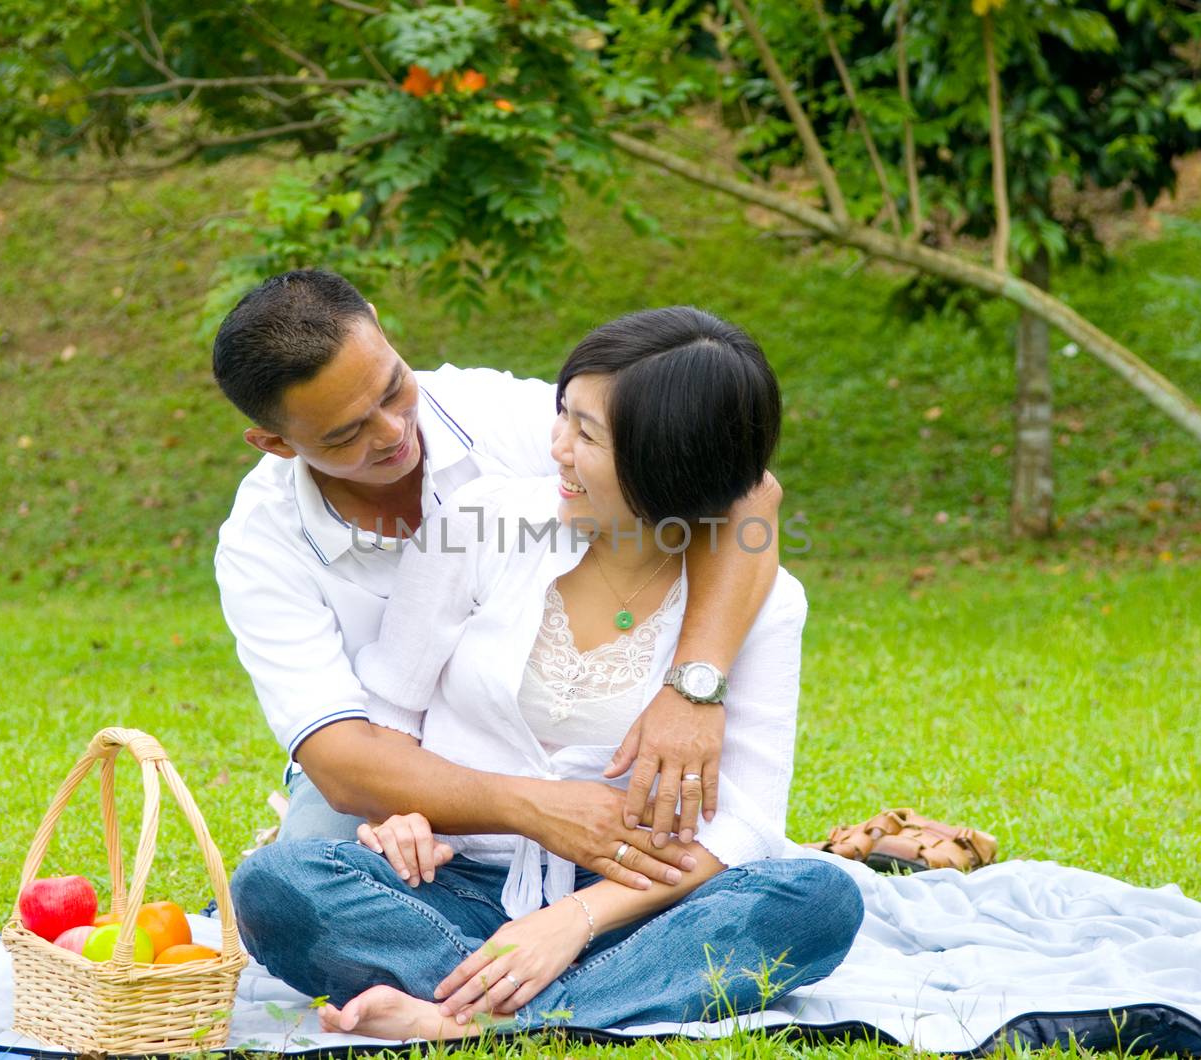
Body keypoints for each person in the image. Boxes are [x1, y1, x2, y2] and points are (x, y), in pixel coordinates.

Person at [231, 308, 862, 1039]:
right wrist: (396, 815)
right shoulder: (474, 522)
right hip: (456, 879)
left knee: (817, 901)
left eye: (584, 434)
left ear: (670, 459)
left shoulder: (766, 604)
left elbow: (746, 826)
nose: (554, 446)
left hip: (635, 900)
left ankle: (476, 1015)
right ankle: (581, 999)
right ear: (277, 442)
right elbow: (381, 728)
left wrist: (573, 918)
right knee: (279, 884)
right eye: (561, 419)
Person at [211, 270, 785, 887]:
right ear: (275, 443)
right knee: (296, 880)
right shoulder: (260, 543)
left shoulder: (494, 411)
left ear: (379, 328)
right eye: (346, 434)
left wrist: (692, 688)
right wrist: (536, 810)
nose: (392, 432)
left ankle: (509, 956)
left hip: (536, 737)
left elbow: (743, 493)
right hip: (383, 766)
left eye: (392, 388)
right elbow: (345, 765)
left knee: (770, 889)